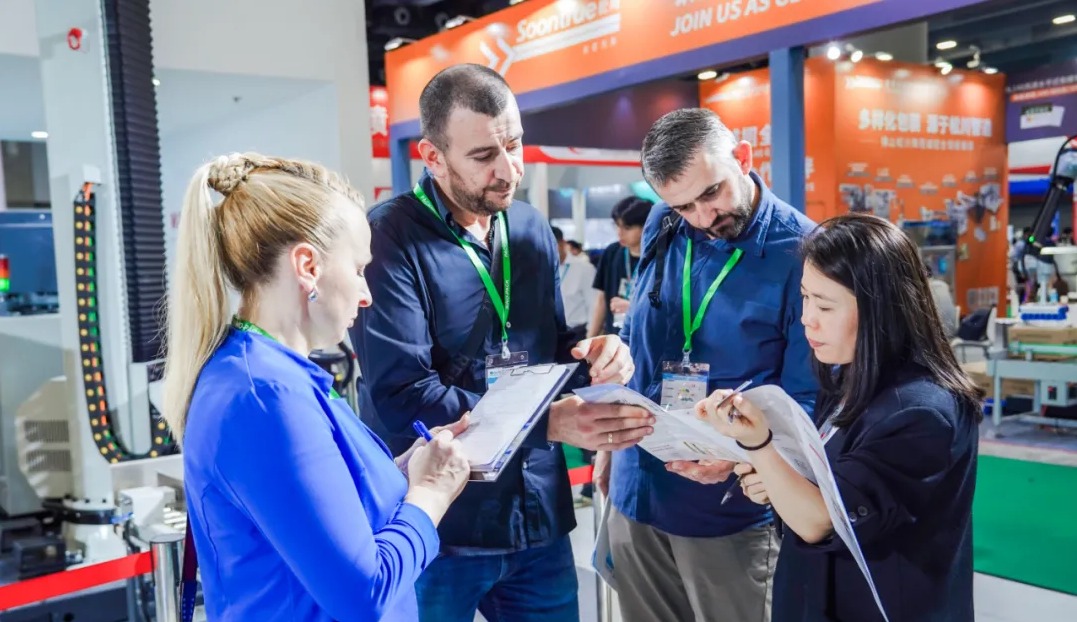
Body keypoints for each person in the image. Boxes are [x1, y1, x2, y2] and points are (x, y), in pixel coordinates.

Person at [353, 64, 654, 622]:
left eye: (514, 145)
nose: (508, 169)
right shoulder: (387, 239)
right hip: (441, 527)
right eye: (483, 156)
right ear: (432, 156)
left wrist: (595, 357)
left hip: (536, 517)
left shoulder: (529, 226)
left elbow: (550, 348)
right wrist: (549, 424)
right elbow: (403, 395)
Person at [162, 153, 472, 622]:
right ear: (307, 265)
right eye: (359, 269)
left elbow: (313, 515)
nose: (366, 295)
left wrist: (403, 471)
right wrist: (431, 493)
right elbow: (365, 593)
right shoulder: (265, 396)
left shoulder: (263, 374)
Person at [701, 213, 982, 622]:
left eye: (825, 305)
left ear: (882, 310)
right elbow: (825, 486)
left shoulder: (921, 412)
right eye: (805, 298)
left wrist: (760, 446)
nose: (806, 318)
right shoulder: (848, 380)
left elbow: (824, 521)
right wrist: (776, 482)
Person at [595, 108, 818, 622]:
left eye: (712, 193)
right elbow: (640, 332)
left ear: (743, 157)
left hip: (729, 510)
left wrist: (743, 456)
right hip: (638, 489)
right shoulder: (663, 221)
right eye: (683, 205)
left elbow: (808, 400)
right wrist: (616, 366)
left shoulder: (802, 251)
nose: (701, 217)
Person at [587, 197, 653, 337]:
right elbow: (601, 299)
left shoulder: (659, 257)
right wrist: (590, 337)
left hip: (645, 337)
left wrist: (633, 308)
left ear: (646, 226)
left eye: (627, 228)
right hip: (615, 337)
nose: (619, 233)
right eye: (617, 226)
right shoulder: (611, 252)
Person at [552, 225, 598, 339]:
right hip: (550, 333)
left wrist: (591, 336)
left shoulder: (584, 268)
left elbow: (594, 305)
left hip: (576, 333)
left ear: (563, 243)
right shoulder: (542, 269)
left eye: (553, 245)